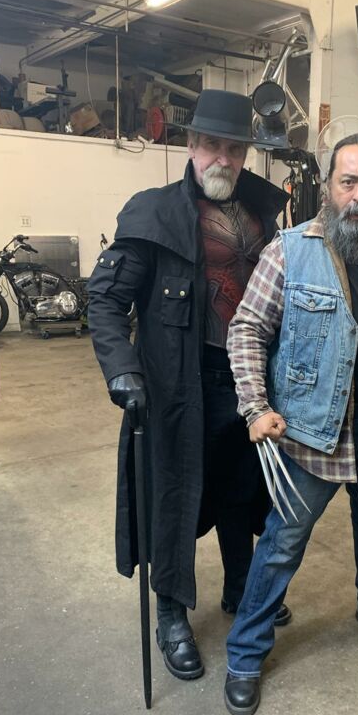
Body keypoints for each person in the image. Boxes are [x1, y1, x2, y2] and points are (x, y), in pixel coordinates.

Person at [223, 132, 358, 715]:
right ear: (328, 186)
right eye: (348, 182)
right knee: (282, 543)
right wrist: (255, 407)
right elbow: (246, 329)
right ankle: (245, 654)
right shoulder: (291, 250)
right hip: (313, 430)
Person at [88, 89, 291, 684]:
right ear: (191, 145)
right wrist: (122, 370)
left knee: (242, 491)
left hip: (249, 384)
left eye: (234, 148)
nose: (223, 158)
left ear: (246, 153)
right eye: (212, 145)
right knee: (173, 499)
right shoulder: (153, 213)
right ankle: (171, 614)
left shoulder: (264, 215)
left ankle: (239, 588)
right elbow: (105, 300)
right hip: (178, 386)